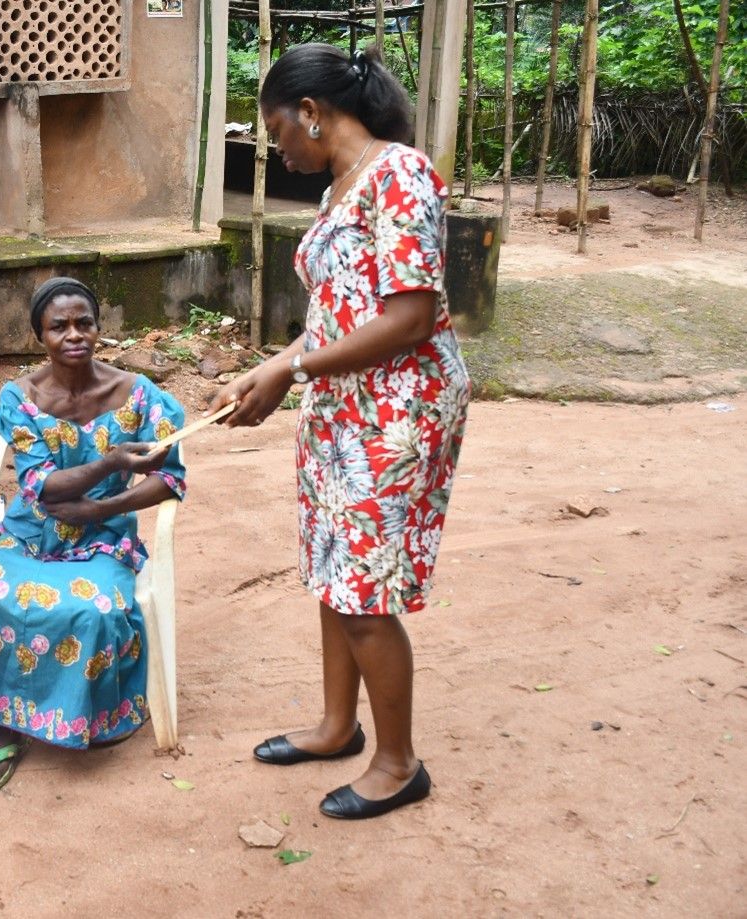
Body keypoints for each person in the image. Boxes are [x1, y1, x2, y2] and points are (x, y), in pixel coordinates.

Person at [208, 44, 471, 820]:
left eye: (276, 130)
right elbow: (337, 314)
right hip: (343, 403)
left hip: (398, 411)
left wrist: (292, 369)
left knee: (363, 588)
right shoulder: (340, 189)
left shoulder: (400, 175)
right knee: (334, 569)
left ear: (312, 112)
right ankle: (335, 726)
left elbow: (409, 316)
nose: (277, 147)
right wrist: (275, 365)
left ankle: (398, 763)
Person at [0, 277, 187, 791]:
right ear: (39, 336)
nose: (74, 335)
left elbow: (169, 477)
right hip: (32, 536)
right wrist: (113, 461)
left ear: (98, 328)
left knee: (94, 610)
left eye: (84, 323)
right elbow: (43, 488)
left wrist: (103, 508)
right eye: (59, 326)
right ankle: (5, 717)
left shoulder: (139, 394)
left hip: (104, 539)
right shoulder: (19, 397)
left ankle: (81, 714)